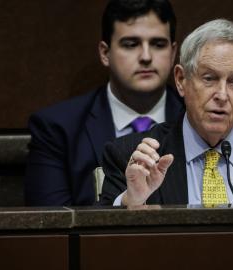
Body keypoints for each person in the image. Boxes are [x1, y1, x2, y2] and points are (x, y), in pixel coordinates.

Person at [100, 19, 233, 206]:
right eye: (209, 78)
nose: (222, 95)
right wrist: (131, 201)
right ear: (181, 80)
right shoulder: (133, 157)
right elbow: (99, 241)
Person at [25, 0, 184, 206]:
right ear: (105, 53)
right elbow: (51, 227)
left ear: (173, 53)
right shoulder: (58, 129)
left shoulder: (197, 119)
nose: (146, 57)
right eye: (131, 44)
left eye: (158, 44)